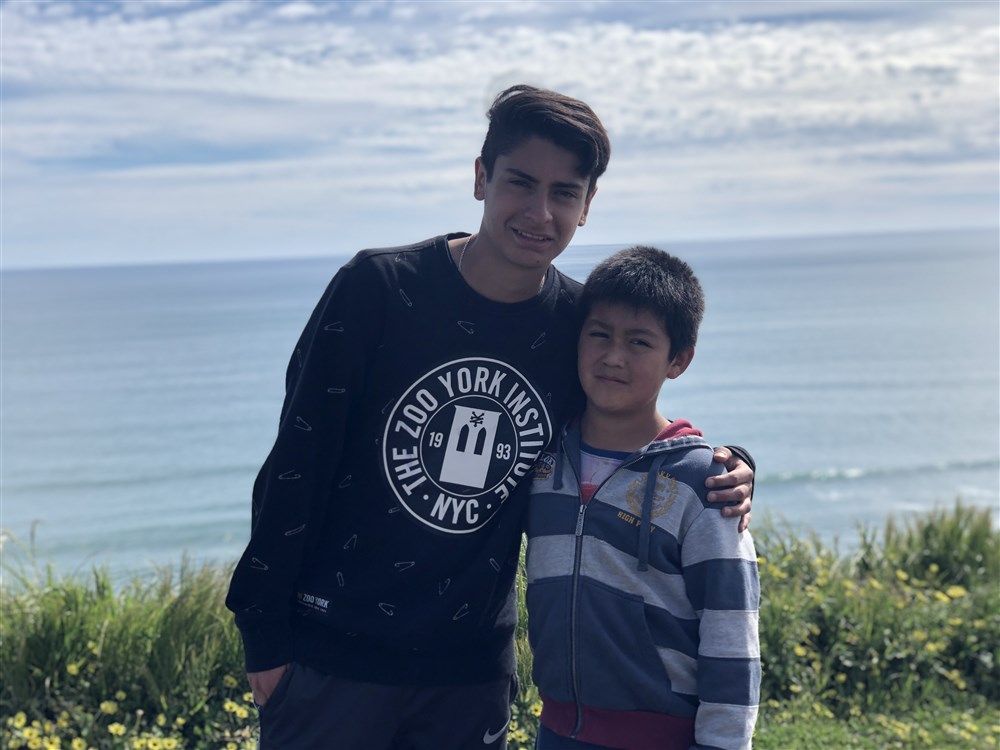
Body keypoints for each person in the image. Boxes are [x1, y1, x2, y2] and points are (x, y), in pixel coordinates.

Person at [225, 85, 755, 750]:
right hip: (330, 660)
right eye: (520, 183)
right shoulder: (379, 289)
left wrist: (726, 466)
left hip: (467, 676)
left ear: (587, 205)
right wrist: (264, 635)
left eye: (564, 193)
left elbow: (622, 433)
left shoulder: (575, 326)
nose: (539, 212)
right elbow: (298, 462)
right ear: (481, 178)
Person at [525, 246, 760, 750]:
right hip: (556, 730)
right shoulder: (543, 462)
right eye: (599, 335)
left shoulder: (703, 485)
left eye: (639, 342)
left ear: (679, 360)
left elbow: (731, 635)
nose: (613, 357)